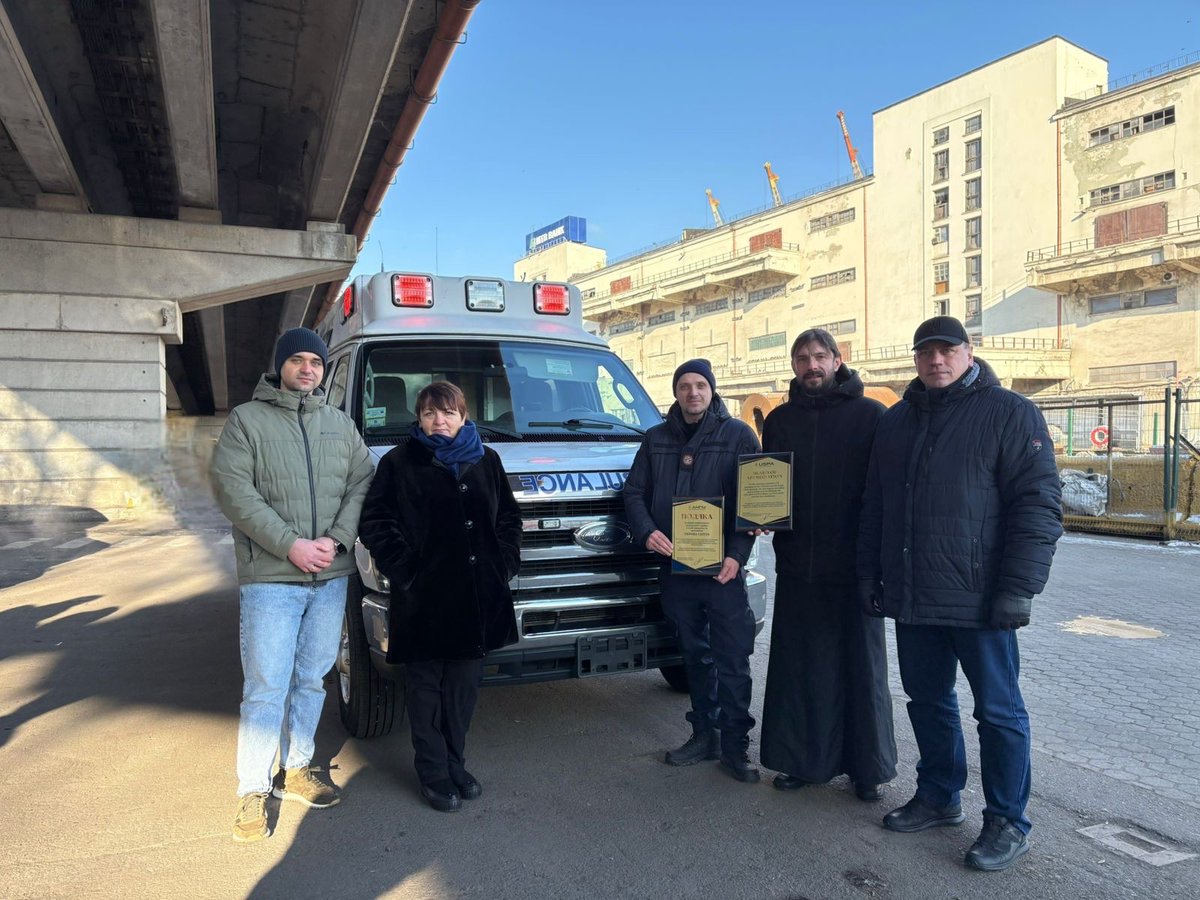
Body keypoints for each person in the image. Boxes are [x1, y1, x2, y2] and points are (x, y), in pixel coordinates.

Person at [857, 316, 1062, 871]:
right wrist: (869, 577)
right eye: (926, 352)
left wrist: (1018, 588)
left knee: (998, 712)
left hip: (982, 599)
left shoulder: (1010, 413)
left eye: (948, 350)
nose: (937, 360)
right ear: (916, 359)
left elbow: (1038, 505)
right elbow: (875, 507)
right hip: (914, 596)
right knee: (927, 701)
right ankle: (939, 795)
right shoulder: (896, 422)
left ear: (969, 353)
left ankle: (1007, 820)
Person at [211, 327, 374, 843]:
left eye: (316, 362)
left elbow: (363, 481)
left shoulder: (339, 424)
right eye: (298, 360)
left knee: (311, 677)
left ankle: (298, 767)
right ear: (280, 365)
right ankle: (252, 789)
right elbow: (233, 490)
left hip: (329, 575)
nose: (308, 369)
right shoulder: (247, 421)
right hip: (272, 578)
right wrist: (291, 545)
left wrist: (337, 539)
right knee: (266, 686)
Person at [358, 381, 522, 813]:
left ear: (464, 416)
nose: (439, 421)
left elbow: (508, 519)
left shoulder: (487, 460)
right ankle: (432, 772)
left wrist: (502, 564)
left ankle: (455, 764)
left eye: (448, 412)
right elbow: (375, 522)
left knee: (462, 691)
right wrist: (407, 570)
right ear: (419, 418)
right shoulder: (398, 463)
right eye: (430, 413)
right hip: (424, 602)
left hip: (476, 600)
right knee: (426, 691)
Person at [759, 329, 897, 800]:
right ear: (793, 366)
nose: (811, 365)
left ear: (838, 361)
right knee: (803, 668)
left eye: (820, 356)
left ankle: (866, 769)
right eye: (802, 358)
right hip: (798, 566)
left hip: (855, 567)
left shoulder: (871, 416)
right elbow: (766, 486)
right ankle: (803, 762)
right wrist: (759, 518)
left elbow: (883, 492)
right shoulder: (779, 421)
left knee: (862, 670)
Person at [623, 359, 763, 782]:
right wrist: (646, 531)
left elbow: (754, 502)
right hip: (676, 569)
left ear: (711, 390)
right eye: (684, 385)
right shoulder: (655, 439)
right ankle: (705, 735)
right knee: (694, 656)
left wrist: (737, 554)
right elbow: (634, 492)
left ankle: (735, 745)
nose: (693, 393)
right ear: (676, 392)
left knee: (732, 658)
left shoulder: (738, 435)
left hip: (723, 572)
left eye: (700, 385)